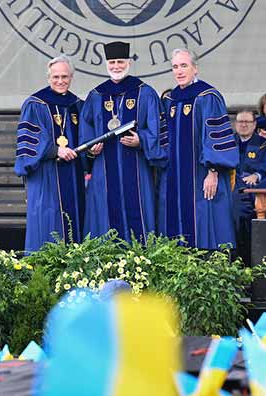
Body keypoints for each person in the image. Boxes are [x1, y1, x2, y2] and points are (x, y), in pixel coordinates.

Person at [81, 41, 164, 243]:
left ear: (128, 62)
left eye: (120, 61)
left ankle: (141, 264)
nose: (116, 66)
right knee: (104, 215)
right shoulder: (96, 95)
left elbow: (157, 130)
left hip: (136, 168)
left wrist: (141, 140)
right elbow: (85, 132)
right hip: (104, 170)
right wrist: (91, 149)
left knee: (139, 215)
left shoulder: (145, 92)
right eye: (112, 62)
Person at [158, 48, 238, 249]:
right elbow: (163, 140)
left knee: (206, 226)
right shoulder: (170, 101)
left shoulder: (208, 96)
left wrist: (213, 171)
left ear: (195, 68)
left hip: (201, 176)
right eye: (175, 67)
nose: (179, 71)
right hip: (175, 179)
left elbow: (216, 137)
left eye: (184, 65)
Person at [15, 55, 86, 252]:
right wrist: (55, 150)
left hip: (72, 174)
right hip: (45, 175)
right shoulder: (35, 104)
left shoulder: (77, 105)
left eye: (64, 76)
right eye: (56, 77)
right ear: (48, 78)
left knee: (73, 222)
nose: (60, 81)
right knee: (47, 221)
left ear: (71, 77)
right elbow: (28, 143)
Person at [231, 110, 266, 263]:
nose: (243, 125)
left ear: (254, 125)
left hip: (251, 196)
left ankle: (244, 260)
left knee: (240, 216)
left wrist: (258, 175)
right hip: (230, 191)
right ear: (235, 124)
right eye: (240, 122)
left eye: (247, 122)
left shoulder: (264, 144)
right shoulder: (227, 143)